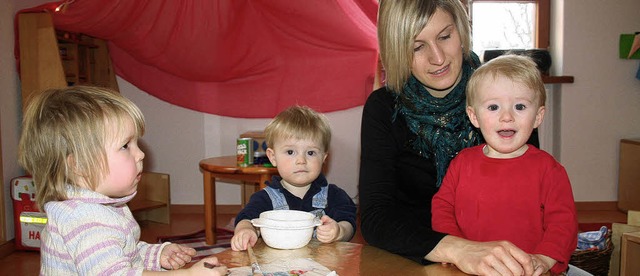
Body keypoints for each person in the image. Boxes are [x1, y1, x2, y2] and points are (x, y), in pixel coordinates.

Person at [359, 0, 540, 275]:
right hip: (416, 259)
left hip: (505, 258)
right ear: (396, 51)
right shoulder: (383, 109)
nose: (438, 57)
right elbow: (375, 218)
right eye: (417, 47)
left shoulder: (508, 96)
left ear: (462, 31)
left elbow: (535, 197)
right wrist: (459, 249)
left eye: (445, 36)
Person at [18, 86, 227, 275]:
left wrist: (157, 255)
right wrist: (186, 275)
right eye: (125, 146)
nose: (141, 154)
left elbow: (122, 253)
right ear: (78, 165)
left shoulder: (102, 207)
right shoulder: (83, 218)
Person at [431, 55, 578, 275]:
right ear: (474, 117)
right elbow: (443, 207)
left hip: (528, 270)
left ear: (538, 117)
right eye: (493, 107)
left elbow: (564, 223)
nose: (507, 116)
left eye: (519, 106)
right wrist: (455, 248)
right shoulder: (462, 163)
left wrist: (545, 258)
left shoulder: (549, 170)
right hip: (471, 270)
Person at [231, 105, 357, 251]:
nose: (301, 160)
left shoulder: (334, 195)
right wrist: (245, 231)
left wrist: (339, 231)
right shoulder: (264, 198)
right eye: (290, 152)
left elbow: (349, 223)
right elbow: (246, 219)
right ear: (273, 157)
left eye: (310, 153)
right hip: (278, 266)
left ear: (324, 157)